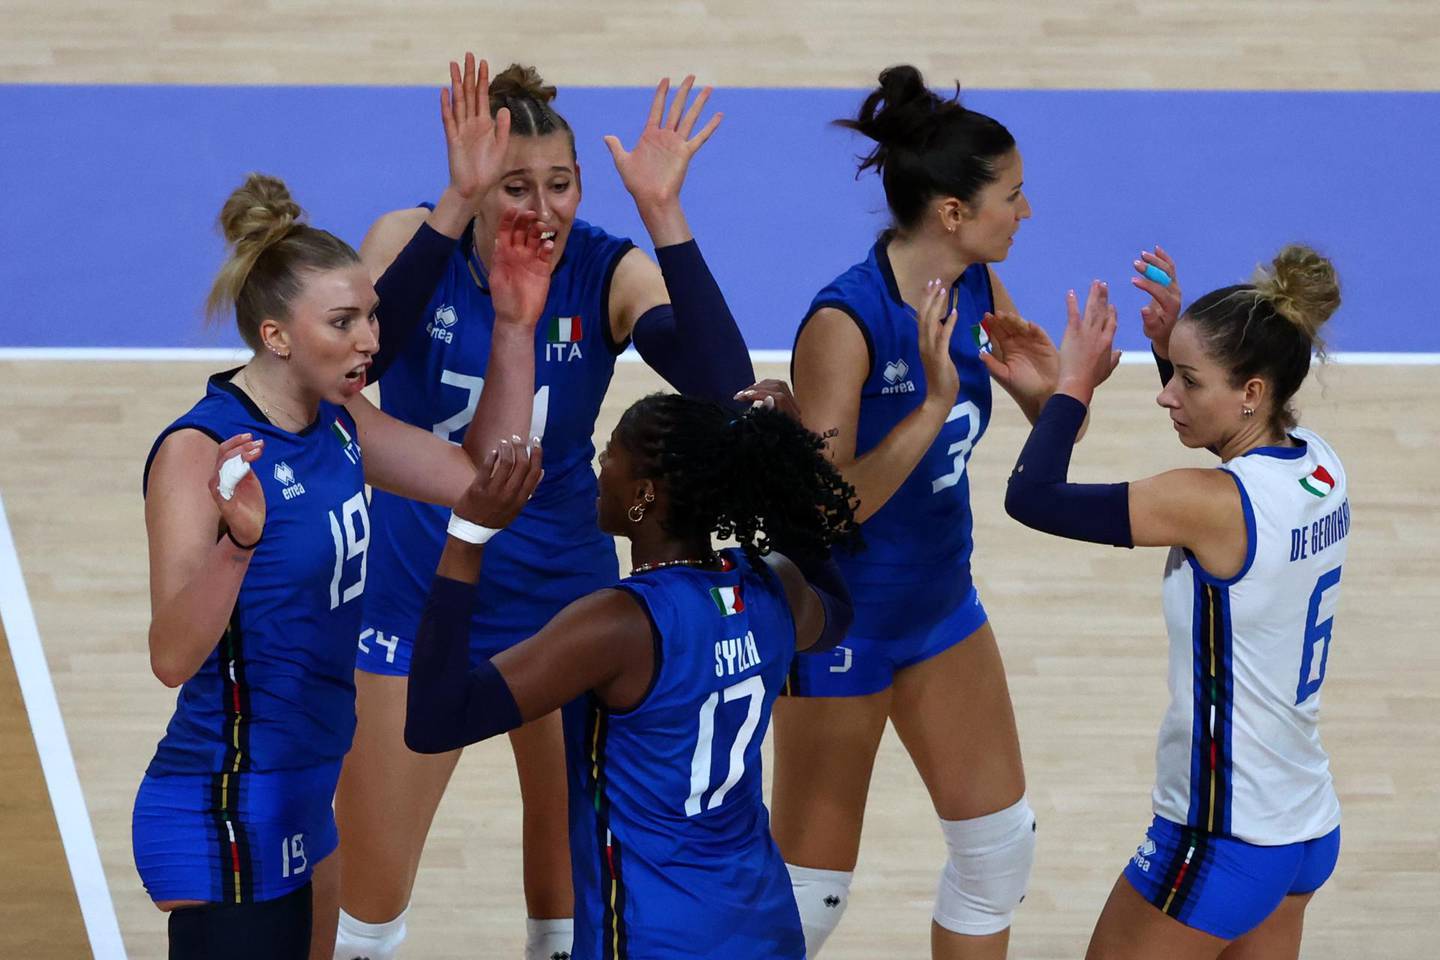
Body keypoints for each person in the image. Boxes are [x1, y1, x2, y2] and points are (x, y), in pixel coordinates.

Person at [132, 64, 557, 957]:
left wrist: (515, 330)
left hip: (307, 785)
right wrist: (237, 548)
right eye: (344, 324)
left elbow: (480, 485)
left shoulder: (344, 425)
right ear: (275, 338)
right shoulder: (199, 452)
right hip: (227, 796)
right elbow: (172, 655)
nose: (370, 340)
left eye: (371, 317)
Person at [334, 60, 754, 960]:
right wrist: (455, 208)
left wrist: (665, 215)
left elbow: (724, 387)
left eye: (560, 184)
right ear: (478, 182)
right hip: (418, 596)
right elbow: (355, 365)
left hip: (562, 602)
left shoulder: (604, 268)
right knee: (367, 904)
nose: (543, 207)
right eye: (515, 185)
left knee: (569, 890)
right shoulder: (410, 237)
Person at [402, 379, 859, 960]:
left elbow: (436, 722)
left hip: (653, 937)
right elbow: (837, 608)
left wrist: (467, 537)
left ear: (642, 495)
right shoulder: (772, 588)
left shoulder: (617, 626)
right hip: (763, 924)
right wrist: (794, 479)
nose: (598, 463)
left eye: (610, 452)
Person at [772, 64, 1061, 959]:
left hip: (941, 610)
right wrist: (932, 405)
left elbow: (1046, 445)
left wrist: (1051, 398)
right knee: (806, 905)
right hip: (841, 622)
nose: (1025, 210)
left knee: (998, 854)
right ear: (951, 211)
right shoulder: (846, 322)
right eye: (1011, 196)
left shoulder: (976, 284)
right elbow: (824, 511)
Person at [1003, 247, 1346, 960]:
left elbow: (1031, 498)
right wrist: (1174, 350)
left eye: (1188, 382)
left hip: (1222, 837)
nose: (1167, 396)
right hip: (1304, 826)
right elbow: (1239, 447)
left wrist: (1072, 387)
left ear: (1251, 391)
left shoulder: (1207, 504)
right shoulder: (1320, 464)